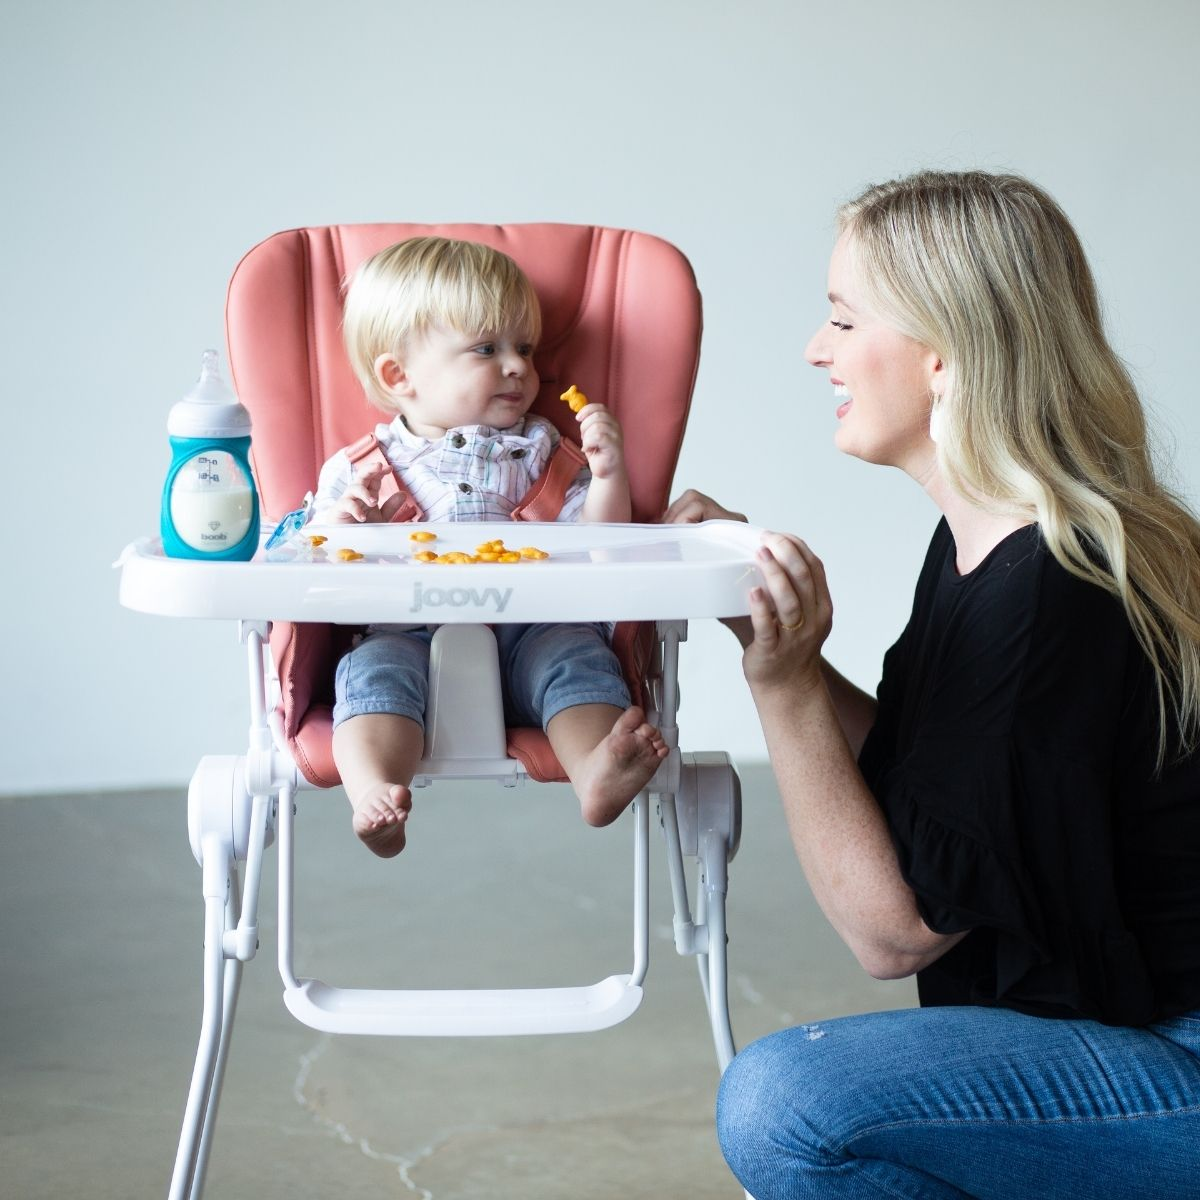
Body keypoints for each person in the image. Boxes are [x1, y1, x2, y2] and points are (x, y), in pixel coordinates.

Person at [667, 171, 1200, 1198]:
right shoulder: (996, 543)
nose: (816, 350)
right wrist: (775, 634)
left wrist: (778, 691)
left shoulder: (1055, 593)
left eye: (841, 318)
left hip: (1177, 1062)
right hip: (1132, 1037)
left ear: (943, 352)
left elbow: (896, 930)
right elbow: (931, 777)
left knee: (790, 1106)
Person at [311, 236, 666, 858]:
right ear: (399, 376)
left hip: (536, 626)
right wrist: (345, 531)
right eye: (487, 349)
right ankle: (376, 791)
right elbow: (314, 569)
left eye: (524, 348)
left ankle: (595, 771)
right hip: (407, 629)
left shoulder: (543, 452)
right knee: (372, 675)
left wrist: (609, 477)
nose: (518, 367)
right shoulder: (362, 467)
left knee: (578, 662)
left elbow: (601, 549)